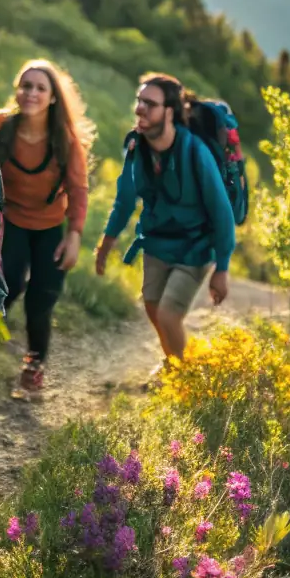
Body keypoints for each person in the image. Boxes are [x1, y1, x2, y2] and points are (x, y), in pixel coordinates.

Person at [95, 73, 235, 365]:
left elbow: (222, 212)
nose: (140, 109)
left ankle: (182, 377)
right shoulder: (137, 148)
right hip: (157, 245)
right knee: (152, 308)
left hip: (195, 249)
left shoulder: (195, 152)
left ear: (169, 111)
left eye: (150, 103)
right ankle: (174, 362)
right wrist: (106, 243)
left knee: (169, 314)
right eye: (139, 101)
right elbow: (125, 199)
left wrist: (221, 268)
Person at [0, 60, 93, 397]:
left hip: (50, 226)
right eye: (25, 85)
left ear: (52, 98)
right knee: (9, 284)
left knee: (42, 299)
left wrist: (74, 235)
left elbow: (78, 190)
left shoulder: (65, 142)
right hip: (11, 220)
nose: (31, 93)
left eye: (40, 88)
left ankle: (34, 367)